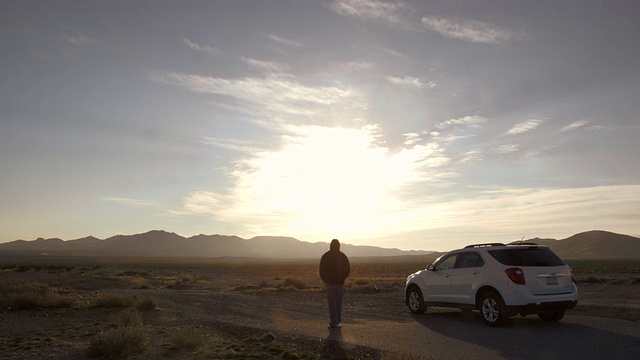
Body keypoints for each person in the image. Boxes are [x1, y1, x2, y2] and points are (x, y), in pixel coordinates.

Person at [319, 239, 351, 329]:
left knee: (331, 303)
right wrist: (342, 278)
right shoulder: (342, 256)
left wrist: (325, 279)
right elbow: (348, 269)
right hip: (339, 283)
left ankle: (333, 321)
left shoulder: (325, 256)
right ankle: (337, 320)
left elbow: (321, 269)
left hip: (329, 283)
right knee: (338, 302)